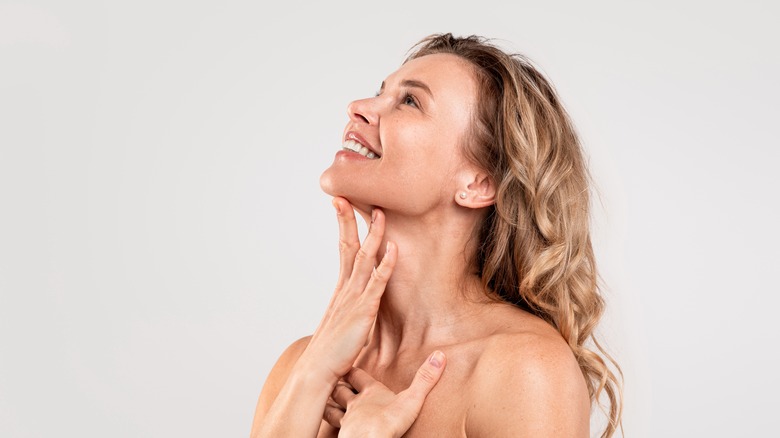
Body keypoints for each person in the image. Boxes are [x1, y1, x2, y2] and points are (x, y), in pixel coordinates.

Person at [250, 33, 623, 437]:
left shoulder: (525, 370)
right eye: (380, 92)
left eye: (410, 101)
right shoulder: (301, 364)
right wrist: (312, 374)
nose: (357, 108)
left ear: (479, 182)